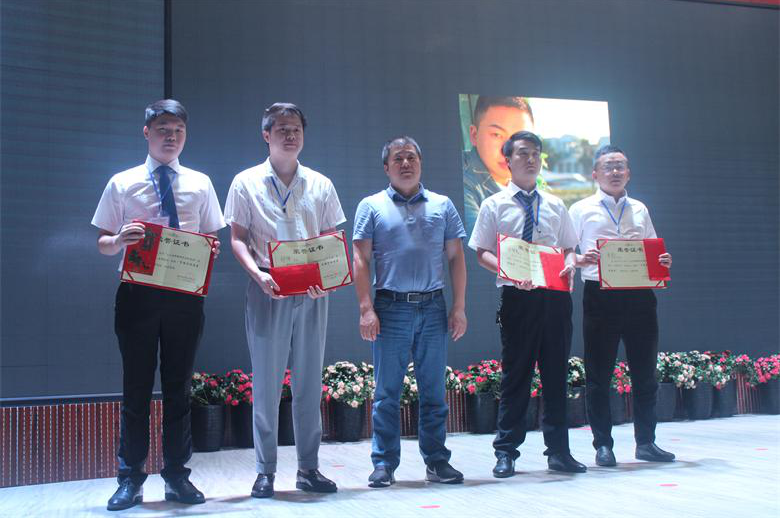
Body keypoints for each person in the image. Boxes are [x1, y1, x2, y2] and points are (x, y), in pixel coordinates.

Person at [92, 99, 225, 511]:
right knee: (135, 388)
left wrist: (210, 250)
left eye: (178, 130)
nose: (171, 137)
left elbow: (212, 236)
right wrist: (118, 241)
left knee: (179, 388)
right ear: (146, 132)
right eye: (163, 129)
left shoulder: (201, 183)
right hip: (138, 294)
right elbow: (102, 242)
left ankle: (177, 476)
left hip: (185, 296)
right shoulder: (122, 182)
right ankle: (130, 479)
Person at [224, 102, 345, 498]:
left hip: (312, 292)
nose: (290, 135)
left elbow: (330, 240)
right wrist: (257, 275)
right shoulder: (245, 182)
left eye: (296, 129)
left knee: (310, 382)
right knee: (267, 384)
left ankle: (309, 468)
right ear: (266, 135)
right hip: (267, 287)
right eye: (282, 129)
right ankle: (266, 471)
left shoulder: (321, 184)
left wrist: (328, 279)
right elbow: (237, 239)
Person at [468, 131, 587, 477]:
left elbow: (569, 248)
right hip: (518, 297)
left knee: (556, 375)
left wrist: (570, 263)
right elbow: (481, 252)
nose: (530, 159)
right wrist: (508, 270)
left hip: (556, 297)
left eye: (535, 153)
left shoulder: (555, 204)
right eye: (523, 153)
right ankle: (506, 452)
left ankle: (559, 452)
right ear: (508, 160)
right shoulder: (494, 204)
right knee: (516, 376)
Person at [353, 136, 467, 488]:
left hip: (433, 307)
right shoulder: (371, 206)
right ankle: (384, 464)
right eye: (398, 158)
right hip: (390, 308)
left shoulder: (443, 204)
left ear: (421, 162)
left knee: (434, 393)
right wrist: (366, 308)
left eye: (412, 157)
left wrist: (459, 307)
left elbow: (456, 258)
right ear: (386, 167)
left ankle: (437, 461)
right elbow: (360, 259)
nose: (406, 163)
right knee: (387, 394)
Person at [568, 145, 675, 467]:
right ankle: (603, 445)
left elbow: (652, 249)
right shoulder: (580, 209)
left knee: (645, 373)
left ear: (628, 173)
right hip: (600, 295)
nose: (614, 172)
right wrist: (580, 259)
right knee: (599, 375)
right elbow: (564, 252)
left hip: (640, 295)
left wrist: (663, 261)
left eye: (620, 166)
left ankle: (647, 443)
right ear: (595, 174)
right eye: (608, 167)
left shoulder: (640, 208)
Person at [463, 96, 535, 234]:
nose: (509, 151)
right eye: (497, 135)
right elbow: (479, 245)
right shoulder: (462, 179)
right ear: (474, 135)